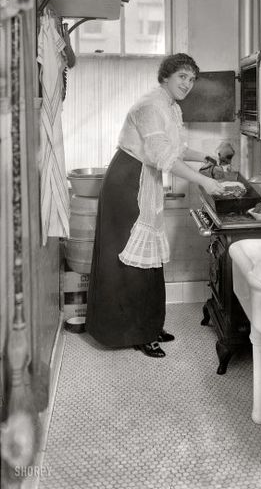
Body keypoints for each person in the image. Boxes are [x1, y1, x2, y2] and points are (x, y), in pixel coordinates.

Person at [85, 53, 225, 358]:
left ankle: (149, 325)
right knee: (131, 259)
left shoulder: (170, 107)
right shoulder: (151, 105)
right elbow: (164, 158)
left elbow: (175, 147)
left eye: (191, 79)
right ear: (165, 76)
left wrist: (205, 157)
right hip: (128, 182)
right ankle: (135, 332)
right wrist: (204, 182)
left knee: (148, 260)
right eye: (182, 77)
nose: (187, 84)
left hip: (141, 178)